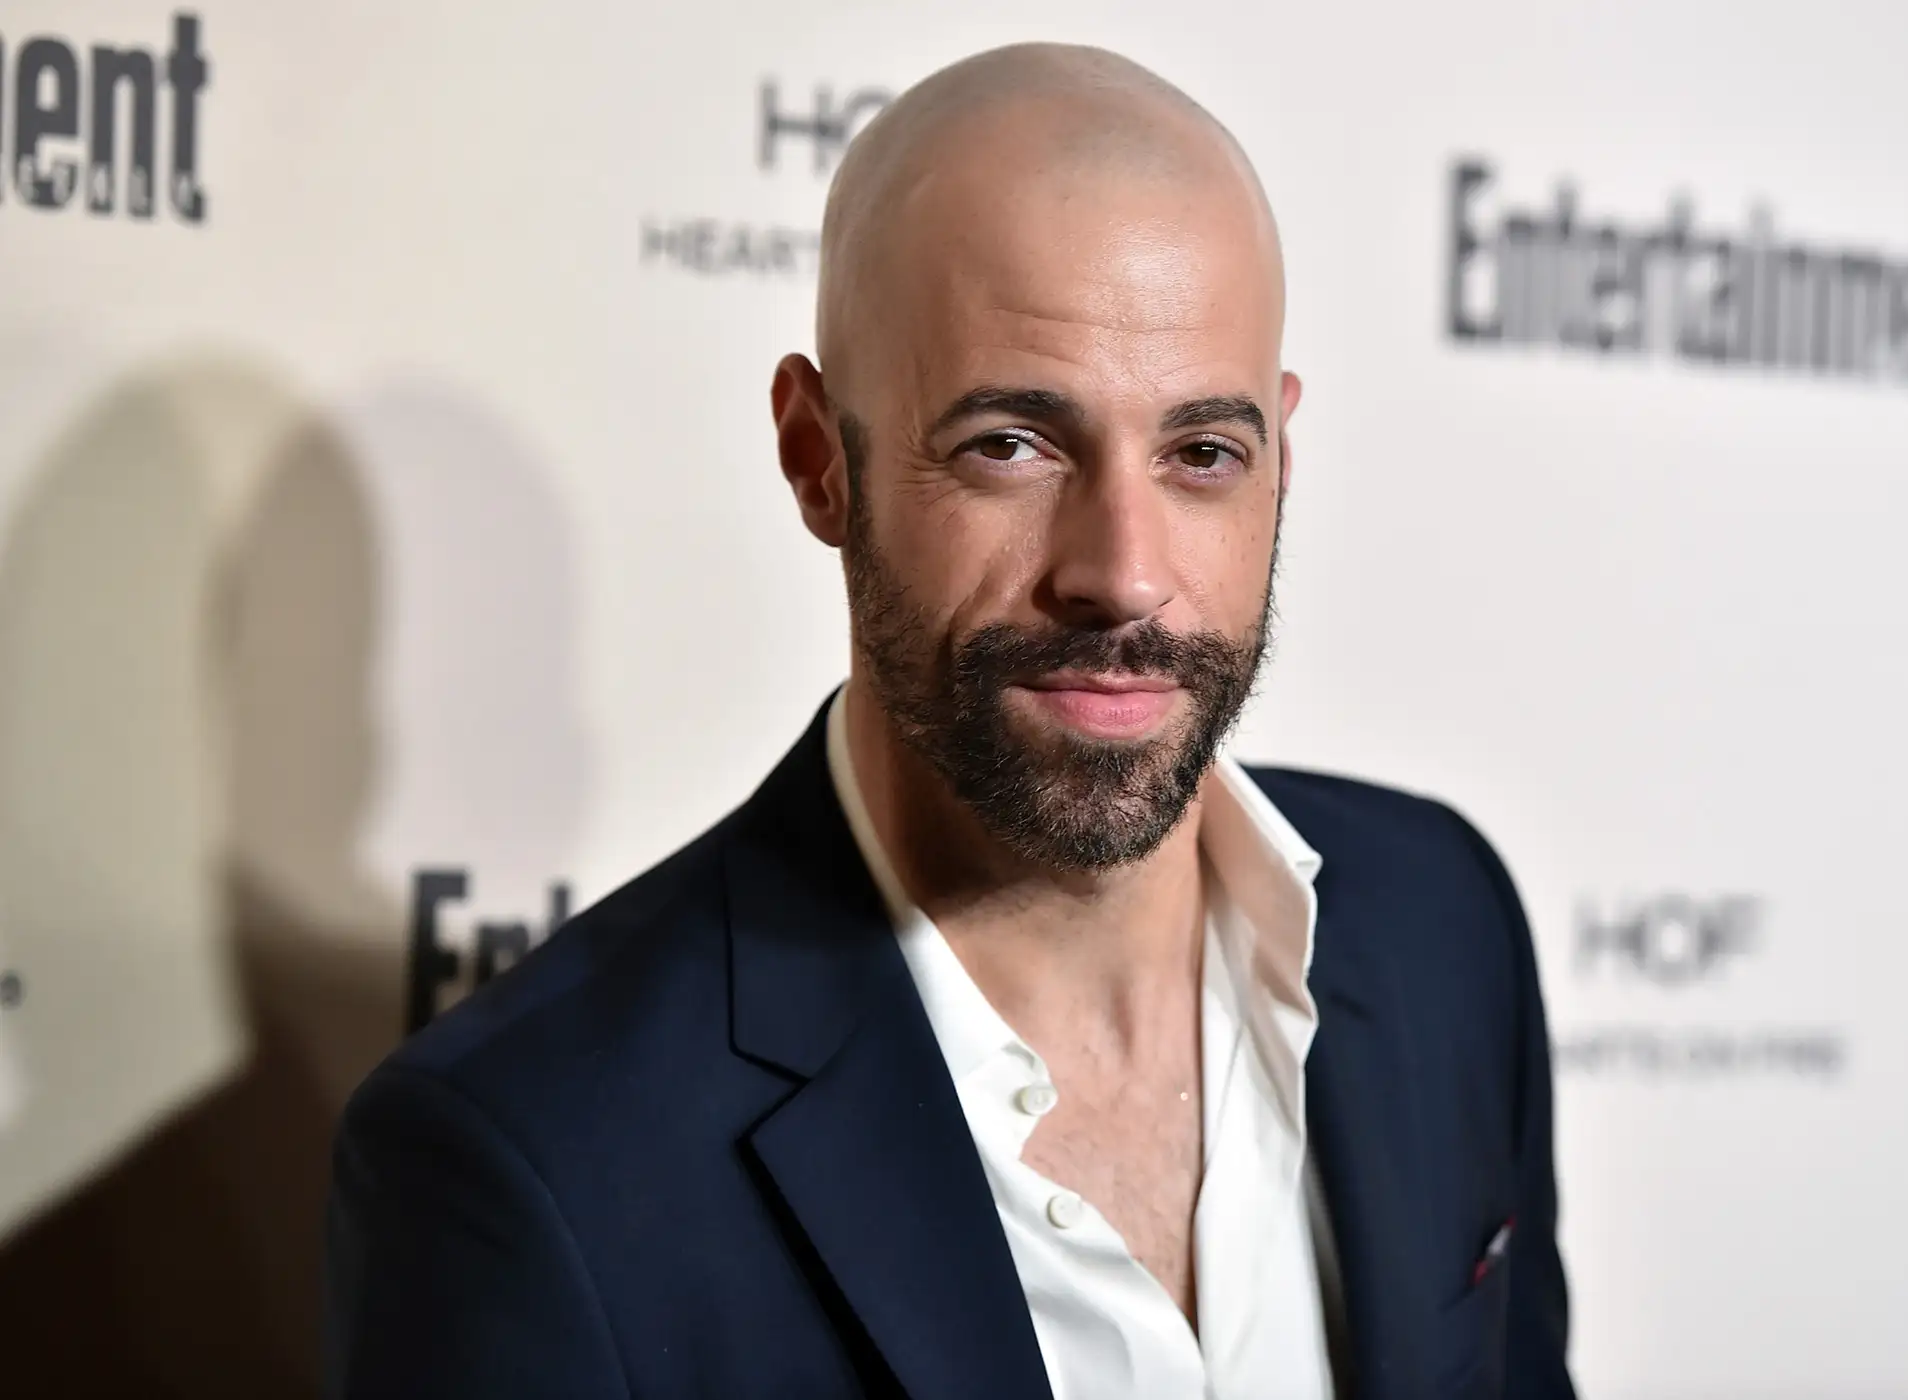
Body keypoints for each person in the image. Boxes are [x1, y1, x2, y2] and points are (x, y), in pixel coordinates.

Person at [323, 42, 1576, 1400]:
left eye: (1202, 454)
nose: (1123, 572)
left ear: (1280, 455)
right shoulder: (536, 1163)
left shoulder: (1442, 926)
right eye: (1010, 445)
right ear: (819, 456)